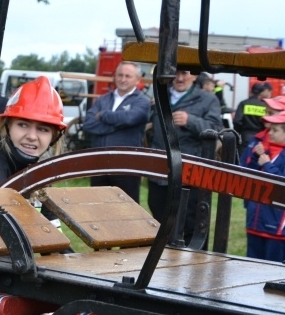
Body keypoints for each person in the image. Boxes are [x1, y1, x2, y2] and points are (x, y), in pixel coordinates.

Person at [147, 69, 222, 244]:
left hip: (189, 176)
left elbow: (216, 129)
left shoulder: (208, 99)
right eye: (176, 74)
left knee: (189, 225)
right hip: (160, 174)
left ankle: (191, 267)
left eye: (185, 73)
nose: (180, 78)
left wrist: (191, 121)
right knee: (159, 223)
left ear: (195, 75)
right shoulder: (160, 95)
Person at [81, 61, 151, 202]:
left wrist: (104, 115)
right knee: (97, 207)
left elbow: (130, 119)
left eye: (128, 76)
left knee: (127, 209)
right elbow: (88, 123)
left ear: (137, 80)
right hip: (99, 163)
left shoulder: (142, 101)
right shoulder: (103, 99)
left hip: (125, 165)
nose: (123, 79)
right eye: (120, 75)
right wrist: (118, 124)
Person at [240, 111, 285, 263]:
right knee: (251, 268)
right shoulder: (268, 150)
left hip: (277, 228)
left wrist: (266, 165)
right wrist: (255, 158)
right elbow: (249, 177)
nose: (269, 133)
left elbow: (281, 184)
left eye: (275, 130)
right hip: (256, 222)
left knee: (272, 273)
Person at [235, 82, 273, 146]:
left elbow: (237, 121)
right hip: (260, 137)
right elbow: (267, 122)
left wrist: (239, 132)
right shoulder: (264, 106)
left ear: (251, 91)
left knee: (244, 155)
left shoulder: (243, 103)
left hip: (245, 135)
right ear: (261, 93)